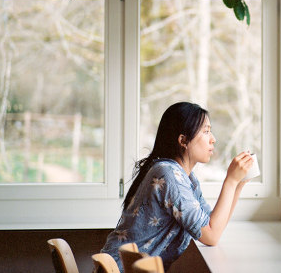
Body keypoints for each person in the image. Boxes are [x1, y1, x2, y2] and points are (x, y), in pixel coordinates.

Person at [101, 102, 254, 271]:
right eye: (206, 131)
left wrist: (237, 185)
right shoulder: (168, 174)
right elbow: (211, 235)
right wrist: (230, 181)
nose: (213, 139)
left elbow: (212, 225)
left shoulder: (185, 177)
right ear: (183, 140)